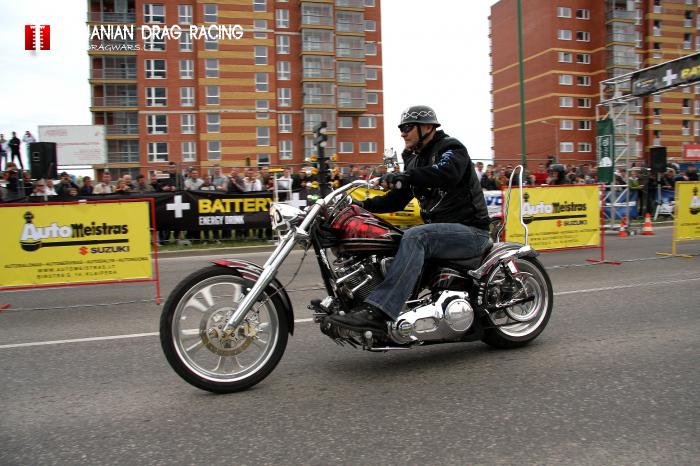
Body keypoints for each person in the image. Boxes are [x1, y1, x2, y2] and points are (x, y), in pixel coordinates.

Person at [328, 105, 491, 335]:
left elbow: (446, 174)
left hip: (471, 231)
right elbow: (396, 200)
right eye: (401, 128)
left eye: (407, 127)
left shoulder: (451, 148)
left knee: (416, 236)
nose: (402, 133)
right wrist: (360, 206)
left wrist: (405, 176)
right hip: (442, 232)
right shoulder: (413, 160)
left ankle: (380, 312)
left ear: (427, 127)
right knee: (390, 238)